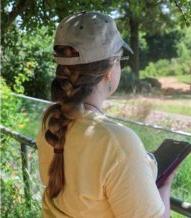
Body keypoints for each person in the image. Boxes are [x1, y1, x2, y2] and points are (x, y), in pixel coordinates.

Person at [35, 11, 175, 218]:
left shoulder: (51, 119)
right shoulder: (117, 142)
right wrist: (164, 186)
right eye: (121, 61)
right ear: (110, 69)